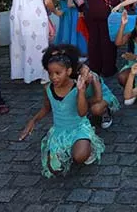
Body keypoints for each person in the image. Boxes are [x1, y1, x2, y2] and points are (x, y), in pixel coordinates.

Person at [19, 45, 105, 178]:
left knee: (79, 157)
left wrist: (81, 91)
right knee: (54, 169)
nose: (53, 77)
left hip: (78, 128)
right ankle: (67, 149)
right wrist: (33, 121)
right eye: (50, 73)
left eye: (58, 73)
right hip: (59, 131)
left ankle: (87, 145)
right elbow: (46, 108)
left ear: (69, 71)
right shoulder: (48, 88)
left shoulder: (77, 87)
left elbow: (82, 112)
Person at [10, 0, 71, 84]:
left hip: (18, 11)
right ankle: (41, 73)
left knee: (21, 40)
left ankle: (24, 71)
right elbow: (48, 1)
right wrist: (56, 12)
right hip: (33, 12)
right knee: (39, 41)